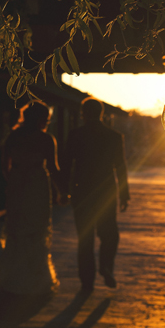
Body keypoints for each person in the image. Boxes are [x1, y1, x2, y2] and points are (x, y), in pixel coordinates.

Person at [0, 101, 60, 295]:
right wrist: (60, 190)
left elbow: (5, 165)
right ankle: (37, 278)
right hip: (37, 184)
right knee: (36, 229)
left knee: (17, 228)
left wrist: (14, 181)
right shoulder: (46, 139)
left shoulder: (14, 136)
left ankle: (10, 277)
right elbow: (53, 168)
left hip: (18, 183)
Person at [60, 96, 130, 293]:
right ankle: (106, 265)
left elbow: (66, 164)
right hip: (106, 191)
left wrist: (64, 190)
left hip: (82, 190)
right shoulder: (114, 136)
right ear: (101, 114)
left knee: (85, 238)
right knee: (110, 234)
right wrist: (125, 195)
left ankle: (86, 283)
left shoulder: (76, 135)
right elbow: (121, 167)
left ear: (83, 114)